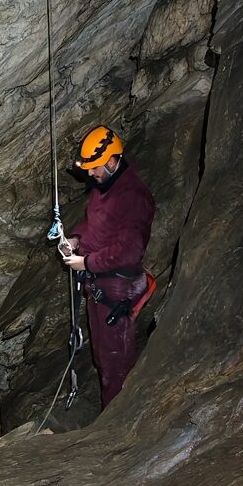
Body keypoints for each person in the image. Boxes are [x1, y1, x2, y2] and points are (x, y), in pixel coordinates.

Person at [60, 125, 156, 408]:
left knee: (116, 364)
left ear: (113, 161)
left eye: (95, 167)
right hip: (100, 288)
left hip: (118, 290)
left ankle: (118, 426)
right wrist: (76, 240)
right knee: (102, 358)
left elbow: (129, 250)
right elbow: (94, 225)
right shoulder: (105, 189)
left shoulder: (133, 197)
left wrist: (85, 262)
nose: (90, 173)